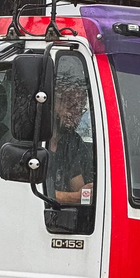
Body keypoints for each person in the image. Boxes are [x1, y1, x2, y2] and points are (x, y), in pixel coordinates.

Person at [47, 74, 95, 205]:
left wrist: (85, 193)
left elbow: (80, 187)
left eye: (80, 108)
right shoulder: (26, 139)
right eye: (70, 105)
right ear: (52, 103)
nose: (75, 113)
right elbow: (33, 193)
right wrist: (76, 197)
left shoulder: (73, 141)